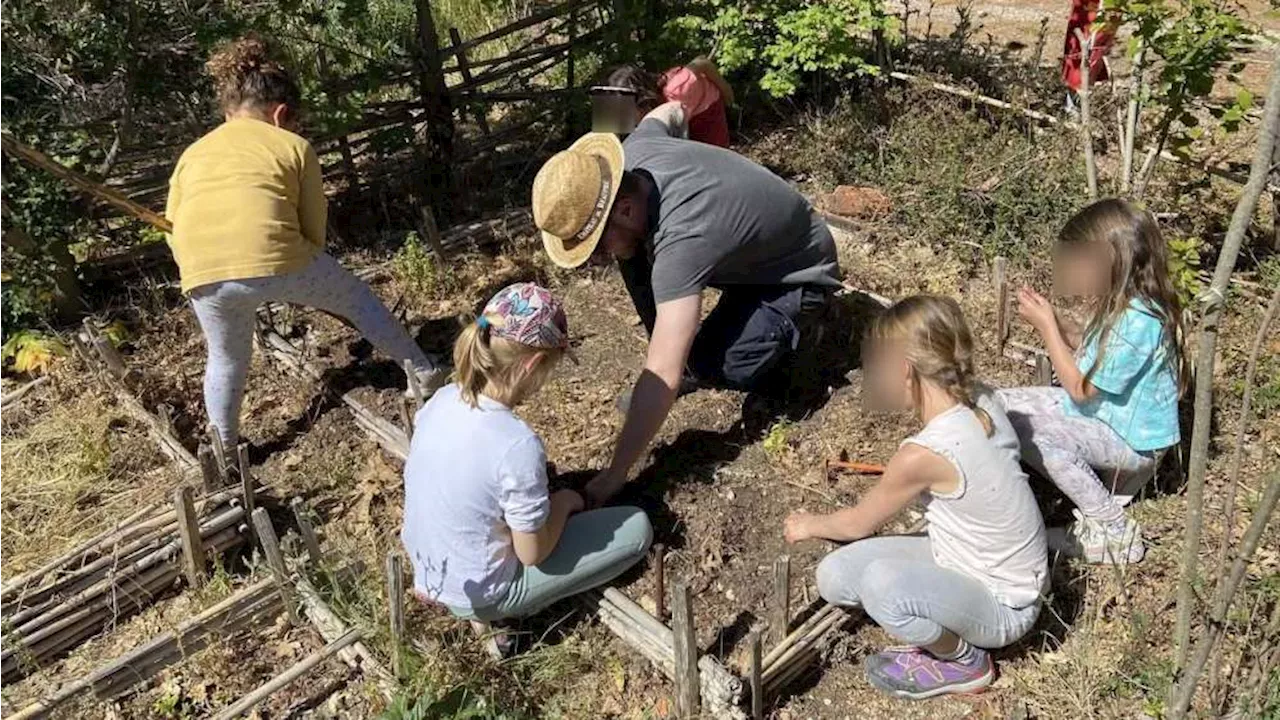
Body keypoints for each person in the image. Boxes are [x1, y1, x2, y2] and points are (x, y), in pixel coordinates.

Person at [531, 125, 842, 506]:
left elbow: (662, 369)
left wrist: (613, 476)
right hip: (755, 257)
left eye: (596, 245)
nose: (597, 258)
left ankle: (801, 335)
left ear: (625, 208)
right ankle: (686, 353)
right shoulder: (637, 151)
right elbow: (671, 110)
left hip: (799, 273)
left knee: (721, 364)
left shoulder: (683, 241)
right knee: (632, 256)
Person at [165, 35, 445, 448]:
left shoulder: (192, 154)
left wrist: (205, 267)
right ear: (280, 114)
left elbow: (173, 226)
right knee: (359, 300)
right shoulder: (292, 145)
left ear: (229, 111)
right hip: (276, 256)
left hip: (200, 274)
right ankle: (422, 372)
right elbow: (314, 225)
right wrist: (309, 277)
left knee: (225, 359)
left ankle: (224, 448)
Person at [784, 296, 1047, 700]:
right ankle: (935, 616)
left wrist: (807, 525)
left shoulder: (923, 455)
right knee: (834, 577)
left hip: (1006, 605)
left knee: (881, 586)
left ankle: (965, 662)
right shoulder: (980, 398)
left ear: (905, 369)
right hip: (965, 556)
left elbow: (858, 524)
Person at [401, 283, 653, 655]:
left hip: (431, 569)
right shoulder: (516, 444)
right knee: (637, 529)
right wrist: (566, 502)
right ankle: (500, 614)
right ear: (532, 365)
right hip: (482, 591)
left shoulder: (442, 399)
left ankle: (476, 611)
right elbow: (532, 554)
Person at [997, 199, 1185, 564]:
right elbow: (1089, 350)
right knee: (998, 403)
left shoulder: (1141, 320)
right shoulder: (1123, 304)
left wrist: (1047, 326)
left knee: (1037, 436)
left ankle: (1113, 529)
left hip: (1131, 446)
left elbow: (1081, 390)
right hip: (1104, 420)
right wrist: (1054, 320)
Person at [596, 58, 734, 146]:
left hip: (706, 113)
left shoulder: (678, 89)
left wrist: (727, 91)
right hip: (683, 116)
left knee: (712, 159)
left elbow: (702, 63)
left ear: (643, 101)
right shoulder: (628, 106)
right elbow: (612, 135)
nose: (623, 120)